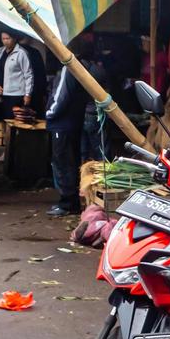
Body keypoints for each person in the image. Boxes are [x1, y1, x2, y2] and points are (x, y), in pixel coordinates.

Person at [45, 40, 101, 217]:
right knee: (71, 160)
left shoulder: (68, 69)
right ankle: (72, 202)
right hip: (74, 121)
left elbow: (61, 96)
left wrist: (49, 113)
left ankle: (67, 202)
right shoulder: (84, 67)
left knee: (63, 162)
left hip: (62, 123)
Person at [0, 31, 33, 111]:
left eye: (8, 38)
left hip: (17, 94)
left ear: (14, 39)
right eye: (3, 39)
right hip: (2, 94)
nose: (5, 41)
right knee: (3, 120)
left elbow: (28, 75)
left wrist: (28, 94)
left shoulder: (21, 53)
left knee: (13, 120)